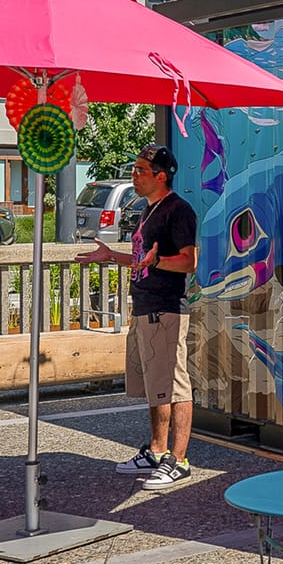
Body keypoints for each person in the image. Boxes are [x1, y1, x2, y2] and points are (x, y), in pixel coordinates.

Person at [76, 143, 198, 490]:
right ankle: (156, 451)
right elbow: (143, 259)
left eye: (140, 170)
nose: (134, 175)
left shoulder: (178, 211)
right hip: (144, 305)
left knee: (175, 383)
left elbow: (189, 261)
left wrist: (157, 262)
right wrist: (111, 255)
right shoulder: (148, 210)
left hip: (167, 308)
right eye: (134, 169)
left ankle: (179, 460)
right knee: (154, 386)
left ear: (161, 176)